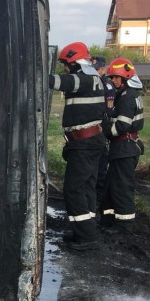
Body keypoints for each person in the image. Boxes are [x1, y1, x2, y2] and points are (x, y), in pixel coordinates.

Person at [48, 41, 107, 250]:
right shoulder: (94, 79)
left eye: (66, 63)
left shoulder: (83, 79)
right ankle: (84, 230)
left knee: (73, 190)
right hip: (90, 142)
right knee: (87, 188)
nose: (65, 67)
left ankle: (87, 237)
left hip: (84, 143)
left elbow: (57, 82)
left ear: (75, 63)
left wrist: (35, 73)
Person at [100, 57, 145, 232]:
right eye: (112, 77)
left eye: (117, 77)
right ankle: (107, 220)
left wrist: (102, 130)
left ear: (126, 78)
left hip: (125, 147)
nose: (113, 80)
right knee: (111, 184)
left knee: (122, 187)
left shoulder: (127, 97)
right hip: (123, 147)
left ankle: (125, 225)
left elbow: (121, 126)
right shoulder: (126, 94)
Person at [90, 55, 115, 212]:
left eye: (97, 69)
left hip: (101, 129)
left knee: (100, 163)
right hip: (91, 129)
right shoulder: (93, 82)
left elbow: (108, 111)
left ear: (102, 69)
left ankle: (99, 195)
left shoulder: (107, 85)